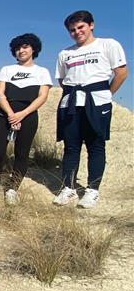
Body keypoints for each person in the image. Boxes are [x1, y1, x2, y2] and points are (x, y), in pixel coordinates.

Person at [53, 10, 127, 208]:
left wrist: (106, 94)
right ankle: (68, 188)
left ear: (91, 25)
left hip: (97, 101)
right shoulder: (65, 53)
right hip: (71, 103)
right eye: (72, 30)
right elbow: (62, 80)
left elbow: (121, 73)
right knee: (71, 146)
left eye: (80, 27)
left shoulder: (108, 44)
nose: (77, 32)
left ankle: (92, 190)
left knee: (95, 145)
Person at [0, 33, 53, 206]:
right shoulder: (7, 70)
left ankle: (12, 189)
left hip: (28, 115)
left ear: (33, 49)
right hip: (4, 113)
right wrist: (10, 114)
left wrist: (21, 114)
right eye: (17, 48)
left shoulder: (42, 72)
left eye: (25, 47)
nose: (21, 51)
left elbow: (42, 97)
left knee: (22, 154)